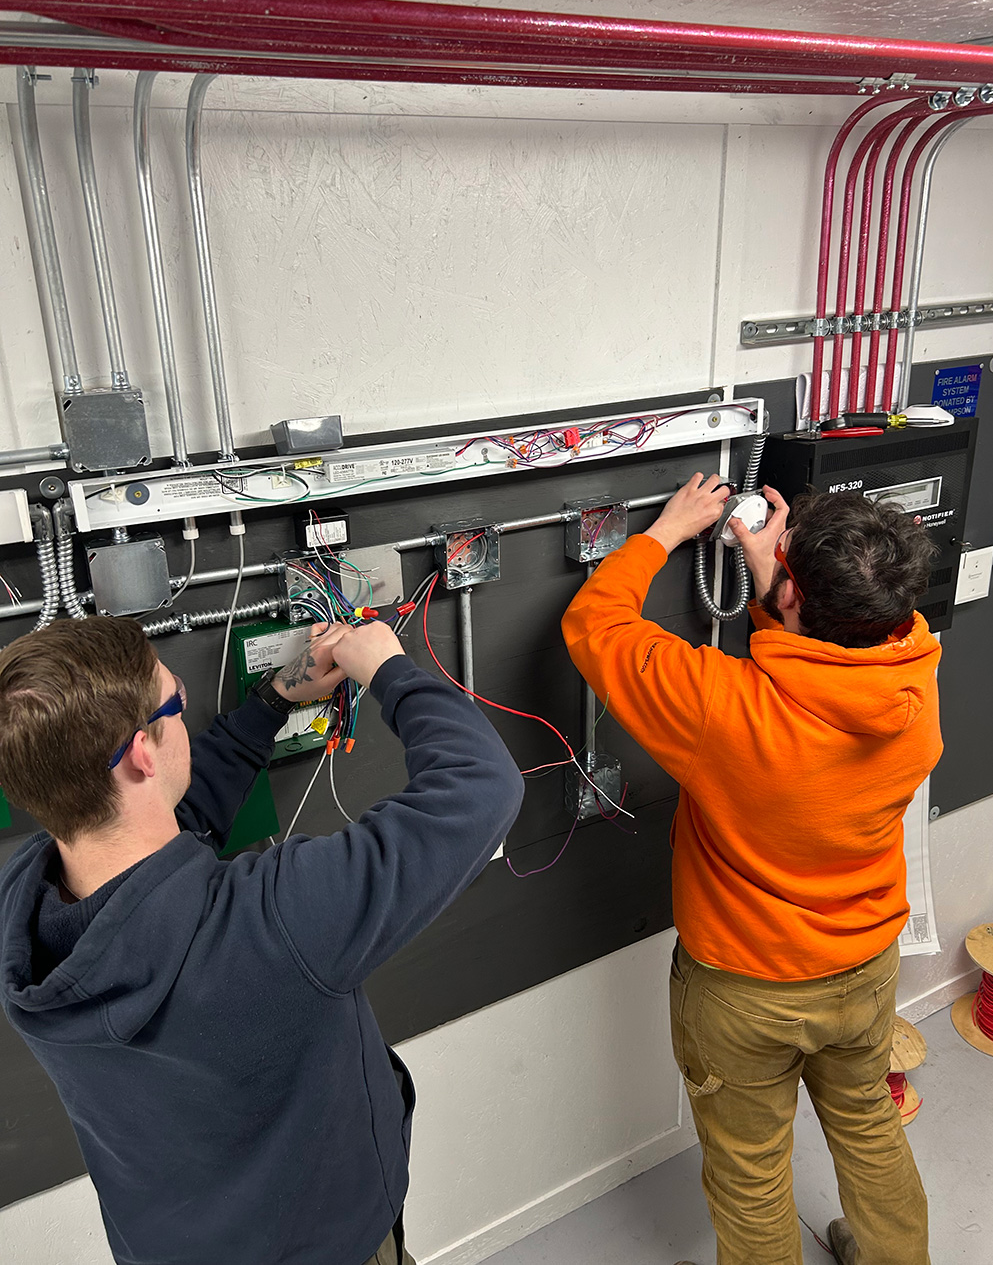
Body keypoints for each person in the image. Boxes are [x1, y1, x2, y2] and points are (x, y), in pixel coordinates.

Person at [0, 614, 524, 1265]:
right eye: (175, 701)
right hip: (329, 1246)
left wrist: (271, 703)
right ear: (141, 753)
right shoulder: (276, 917)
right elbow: (483, 786)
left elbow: (154, 837)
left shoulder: (20, 910)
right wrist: (388, 668)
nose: (184, 703)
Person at [562, 472, 941, 1265]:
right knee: (868, 1124)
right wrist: (778, 574)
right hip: (864, 965)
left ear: (797, 593)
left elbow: (594, 622)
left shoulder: (719, 707)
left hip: (745, 986)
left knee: (751, 1170)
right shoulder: (911, 669)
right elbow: (830, 653)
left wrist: (666, 531)